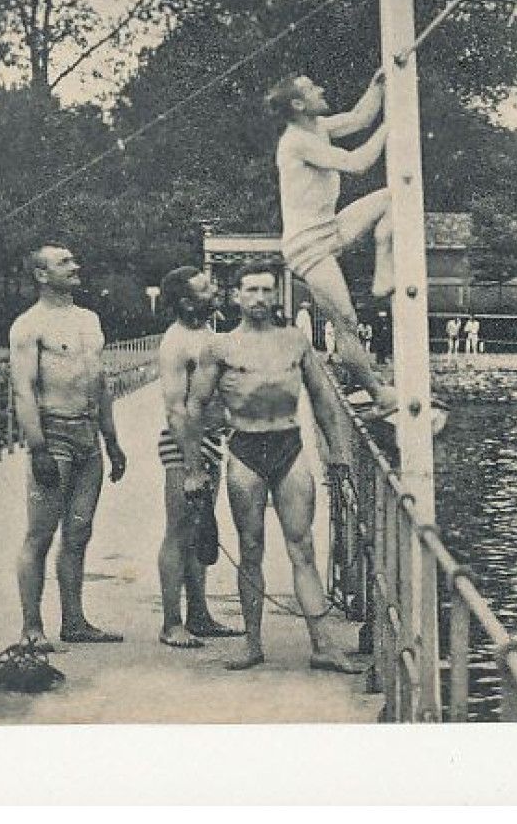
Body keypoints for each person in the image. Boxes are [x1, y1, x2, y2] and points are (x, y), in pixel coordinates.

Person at [186, 261, 361, 673]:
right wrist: (193, 468)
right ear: (237, 296)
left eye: (267, 290)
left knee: (302, 548)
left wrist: (339, 453)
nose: (260, 299)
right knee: (251, 549)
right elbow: (194, 406)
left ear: (276, 293)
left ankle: (322, 645)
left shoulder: (295, 341)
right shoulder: (220, 346)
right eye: (252, 291)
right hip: (245, 449)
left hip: (289, 446)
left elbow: (322, 399)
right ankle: (252, 644)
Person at [11, 243, 127, 650]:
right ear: (42, 275)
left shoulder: (90, 320)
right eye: (64, 262)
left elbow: (101, 383)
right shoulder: (29, 325)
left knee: (78, 532)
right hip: (53, 434)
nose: (76, 266)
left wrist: (112, 441)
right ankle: (31, 626)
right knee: (40, 534)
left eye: (74, 259)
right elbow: (23, 391)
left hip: (88, 436)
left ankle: (74, 621)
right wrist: (38, 447)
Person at [268, 69, 398, 412]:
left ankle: (383, 265)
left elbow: (359, 118)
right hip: (307, 246)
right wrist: (393, 125)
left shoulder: (319, 127)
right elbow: (357, 164)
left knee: (394, 197)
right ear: (299, 104)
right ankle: (378, 394)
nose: (322, 88)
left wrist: (377, 86)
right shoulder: (296, 141)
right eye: (313, 88)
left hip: (331, 228)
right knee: (346, 320)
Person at [152, 266, 242, 649]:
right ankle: (172, 624)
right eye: (206, 288)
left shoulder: (208, 334)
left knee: (199, 529)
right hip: (184, 444)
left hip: (209, 442)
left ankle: (199, 615)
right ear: (187, 302)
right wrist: (190, 467)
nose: (216, 290)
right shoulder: (177, 343)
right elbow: (175, 410)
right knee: (178, 532)